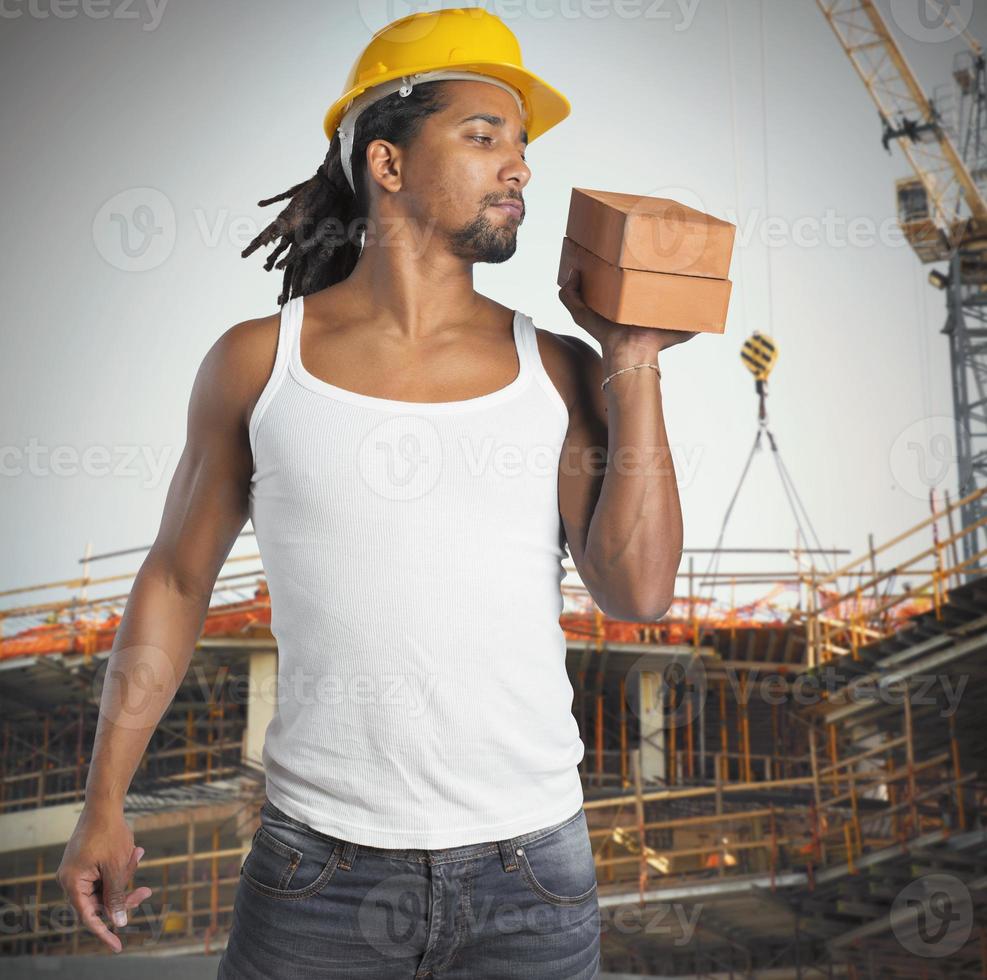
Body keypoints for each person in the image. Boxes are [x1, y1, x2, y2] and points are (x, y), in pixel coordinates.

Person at [56, 8, 692, 976]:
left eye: (522, 144)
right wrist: (102, 800)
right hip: (318, 868)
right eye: (483, 137)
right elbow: (177, 582)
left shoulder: (560, 368)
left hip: (533, 870)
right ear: (386, 163)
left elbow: (636, 592)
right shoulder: (258, 363)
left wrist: (633, 359)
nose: (518, 165)